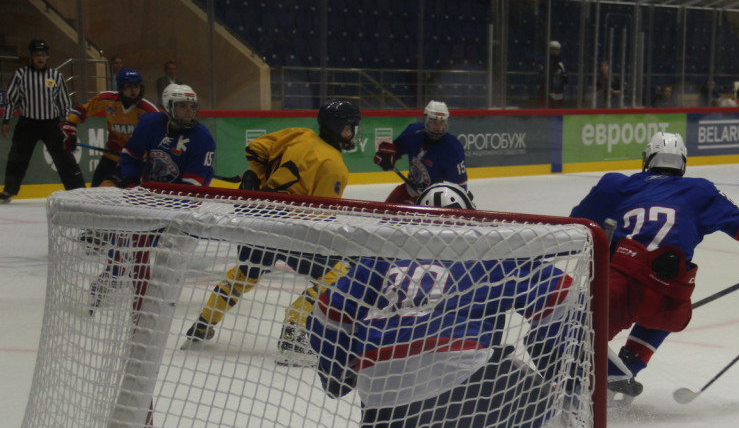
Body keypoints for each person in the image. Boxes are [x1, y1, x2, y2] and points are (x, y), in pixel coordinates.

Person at [259, 181, 651, 428]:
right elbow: (563, 296)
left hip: (383, 387)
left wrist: (335, 368)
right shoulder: (489, 245)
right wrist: (557, 358)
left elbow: (326, 311)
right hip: (462, 368)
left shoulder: (384, 255)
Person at [571, 132, 739, 405]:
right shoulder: (700, 191)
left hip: (621, 288)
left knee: (574, 344)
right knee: (665, 298)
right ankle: (630, 365)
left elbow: (578, 225)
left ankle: (586, 384)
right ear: (683, 164)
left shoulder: (617, 184)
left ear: (647, 160)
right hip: (669, 300)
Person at [182, 99, 362, 365]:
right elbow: (320, 218)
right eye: (351, 127)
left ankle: (203, 322)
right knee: (336, 279)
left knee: (246, 273)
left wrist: (263, 184)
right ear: (341, 129)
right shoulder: (335, 165)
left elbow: (254, 151)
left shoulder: (299, 134)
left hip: (257, 214)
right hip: (292, 228)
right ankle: (294, 330)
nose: (354, 132)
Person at [86, 84, 216, 315]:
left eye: (191, 106)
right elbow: (130, 155)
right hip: (149, 196)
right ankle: (110, 278)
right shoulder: (150, 123)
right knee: (124, 240)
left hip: (184, 205)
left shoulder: (203, 139)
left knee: (171, 254)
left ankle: (161, 300)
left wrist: (160, 208)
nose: (188, 111)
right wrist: (130, 181)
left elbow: (191, 188)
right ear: (168, 107)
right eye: (182, 106)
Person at [1, 39, 85, 203]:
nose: (40, 58)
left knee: (65, 158)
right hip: (27, 124)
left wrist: (69, 125)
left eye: (43, 55)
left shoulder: (56, 76)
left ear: (47, 56)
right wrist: (6, 121)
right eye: (36, 55)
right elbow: (11, 100)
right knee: (17, 158)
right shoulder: (20, 75)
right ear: (31, 56)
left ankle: (78, 191)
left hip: (51, 125)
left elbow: (65, 103)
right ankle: (9, 190)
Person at [67, 68, 160, 188]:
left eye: (137, 86)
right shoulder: (108, 100)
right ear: (121, 88)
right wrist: (70, 128)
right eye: (129, 86)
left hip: (133, 160)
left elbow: (161, 133)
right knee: (94, 190)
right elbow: (81, 110)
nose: (134, 90)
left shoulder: (148, 110)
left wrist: (149, 157)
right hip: (110, 156)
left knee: (106, 186)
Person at [373, 101, 467, 204]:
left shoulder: (453, 148)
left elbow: (460, 187)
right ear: (426, 119)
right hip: (410, 189)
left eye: (442, 123)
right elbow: (396, 150)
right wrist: (388, 157)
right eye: (434, 122)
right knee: (385, 211)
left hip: (436, 199)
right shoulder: (413, 132)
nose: (438, 128)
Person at [540, 40, 569, 108]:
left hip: (559, 88)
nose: (555, 51)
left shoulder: (563, 61)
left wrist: (563, 73)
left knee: (558, 106)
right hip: (547, 88)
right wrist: (552, 68)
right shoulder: (544, 59)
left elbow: (566, 76)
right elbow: (542, 74)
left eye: (557, 49)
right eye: (553, 49)